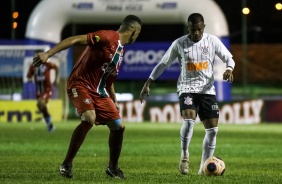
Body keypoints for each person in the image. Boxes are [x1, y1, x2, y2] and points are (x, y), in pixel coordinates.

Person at [33, 15, 142, 179]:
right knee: (89, 117)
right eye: (139, 33)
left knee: (119, 127)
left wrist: (114, 100)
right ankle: (67, 164)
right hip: (80, 84)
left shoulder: (120, 50)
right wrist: (48, 54)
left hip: (99, 92)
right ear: (134, 31)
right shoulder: (107, 36)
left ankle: (113, 168)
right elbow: (75, 39)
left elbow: (108, 79)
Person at [139, 13, 235, 175]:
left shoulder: (212, 41)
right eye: (192, 30)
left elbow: (229, 58)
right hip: (187, 88)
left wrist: (229, 68)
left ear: (203, 27)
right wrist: (149, 81)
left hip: (207, 90)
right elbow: (163, 63)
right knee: (189, 120)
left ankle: (202, 168)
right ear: (187, 28)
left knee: (213, 131)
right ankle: (184, 155)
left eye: (199, 29)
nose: (196, 33)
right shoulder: (179, 43)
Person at [27, 49, 59, 132]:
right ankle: (49, 124)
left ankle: (49, 123)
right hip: (39, 91)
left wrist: (56, 79)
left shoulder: (47, 64)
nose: (38, 57)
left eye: (39, 55)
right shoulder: (33, 66)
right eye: (36, 55)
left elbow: (56, 68)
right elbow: (28, 76)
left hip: (47, 89)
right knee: (40, 106)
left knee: (41, 103)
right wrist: (30, 78)